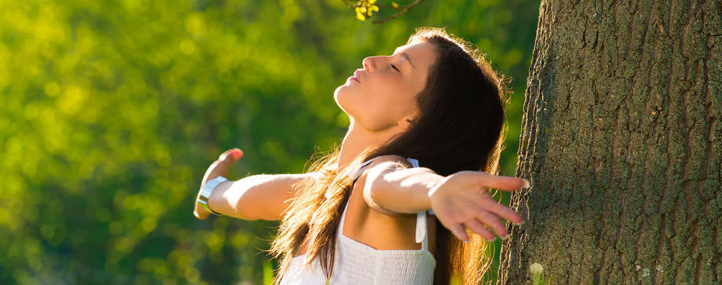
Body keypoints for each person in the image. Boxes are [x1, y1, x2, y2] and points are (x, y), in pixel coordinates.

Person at [193, 27, 530, 285]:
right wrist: (212, 192)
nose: (372, 60)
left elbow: (391, 184)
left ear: (415, 119)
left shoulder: (382, 175)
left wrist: (434, 190)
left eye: (397, 68)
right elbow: (248, 197)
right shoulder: (331, 191)